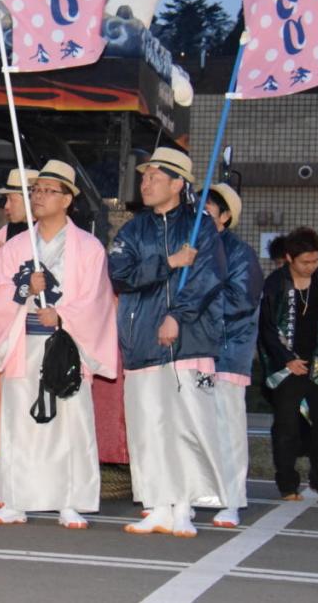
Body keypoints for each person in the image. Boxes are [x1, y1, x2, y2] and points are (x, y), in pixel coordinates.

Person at [0, 161, 119, 528]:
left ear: (68, 200)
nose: (39, 196)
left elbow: (97, 301)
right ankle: (15, 497)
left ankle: (70, 500)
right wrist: (24, 290)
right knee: (19, 424)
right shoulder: (15, 246)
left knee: (69, 425)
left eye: (48, 190)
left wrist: (62, 316)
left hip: (65, 344)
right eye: (36, 190)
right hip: (23, 341)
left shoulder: (89, 248)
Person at [108, 146, 228, 538]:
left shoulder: (201, 226)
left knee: (186, 424)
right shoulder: (132, 229)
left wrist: (178, 315)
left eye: (155, 176)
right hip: (140, 339)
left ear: (178, 183)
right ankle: (156, 503)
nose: (146, 183)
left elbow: (210, 277)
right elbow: (120, 275)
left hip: (188, 341)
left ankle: (184, 505)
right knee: (148, 426)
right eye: (144, 177)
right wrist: (169, 263)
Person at [258, 227, 318, 501]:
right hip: (286, 367)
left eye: (316, 260)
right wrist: (288, 360)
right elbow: (267, 329)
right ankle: (287, 484)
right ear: (289, 258)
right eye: (306, 262)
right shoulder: (275, 283)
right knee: (286, 428)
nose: (311, 267)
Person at [202, 184, 263, 527]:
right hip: (192, 352)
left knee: (226, 428)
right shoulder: (191, 246)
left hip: (226, 353)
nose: (199, 217)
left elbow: (240, 302)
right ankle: (200, 493)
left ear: (225, 217)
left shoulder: (241, 254)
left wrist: (191, 307)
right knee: (195, 427)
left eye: (207, 212)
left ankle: (231, 499)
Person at [0, 168, 37, 295]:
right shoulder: (1, 235)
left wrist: (0, 256)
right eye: (6, 199)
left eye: (12, 200)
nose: (6, 206)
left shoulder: (47, 234)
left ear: (30, 200)